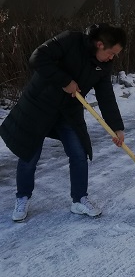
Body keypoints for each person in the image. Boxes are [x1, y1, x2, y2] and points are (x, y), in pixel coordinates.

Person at [0, 23, 127, 222]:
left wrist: (116, 127)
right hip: (39, 105)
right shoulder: (70, 40)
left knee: (79, 153)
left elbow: (106, 96)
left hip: (69, 112)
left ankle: (79, 199)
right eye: (111, 53)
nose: (112, 58)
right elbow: (37, 57)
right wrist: (65, 81)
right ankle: (22, 197)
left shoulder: (103, 64)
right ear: (100, 44)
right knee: (29, 154)